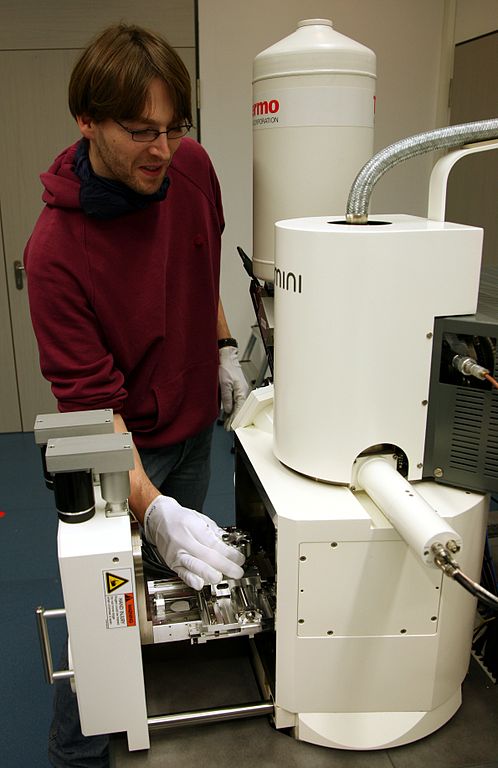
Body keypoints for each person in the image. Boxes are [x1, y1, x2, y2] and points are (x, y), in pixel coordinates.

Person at [24, 23, 249, 768]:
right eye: (140, 131)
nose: (163, 149)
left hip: (191, 430)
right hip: (117, 450)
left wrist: (221, 347)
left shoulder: (192, 167)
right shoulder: (56, 253)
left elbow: (202, 262)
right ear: (86, 121)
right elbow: (96, 416)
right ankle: (77, 754)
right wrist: (152, 511)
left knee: (166, 601)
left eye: (175, 128)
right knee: (102, 620)